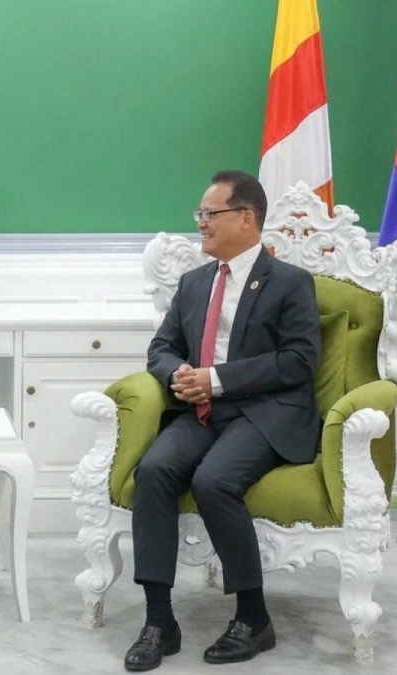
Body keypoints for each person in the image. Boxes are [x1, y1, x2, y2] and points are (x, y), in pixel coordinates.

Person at [124, 170, 320, 671]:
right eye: (201, 215)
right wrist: (182, 374)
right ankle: (159, 621)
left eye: (210, 214)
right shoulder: (193, 283)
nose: (202, 224)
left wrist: (217, 378)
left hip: (267, 413)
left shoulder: (291, 283)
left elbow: (299, 361)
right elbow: (161, 349)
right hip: (204, 411)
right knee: (153, 471)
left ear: (246, 218)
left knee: (215, 481)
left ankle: (254, 618)